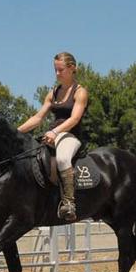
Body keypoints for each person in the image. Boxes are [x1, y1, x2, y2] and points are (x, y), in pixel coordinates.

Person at [18, 52, 88, 221]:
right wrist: (16, 132)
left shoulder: (80, 92)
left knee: (63, 159)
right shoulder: (53, 92)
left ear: (71, 69)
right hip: (51, 135)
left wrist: (56, 132)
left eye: (60, 70)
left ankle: (69, 203)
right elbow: (38, 117)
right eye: (55, 70)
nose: (57, 74)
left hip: (70, 135)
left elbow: (74, 118)